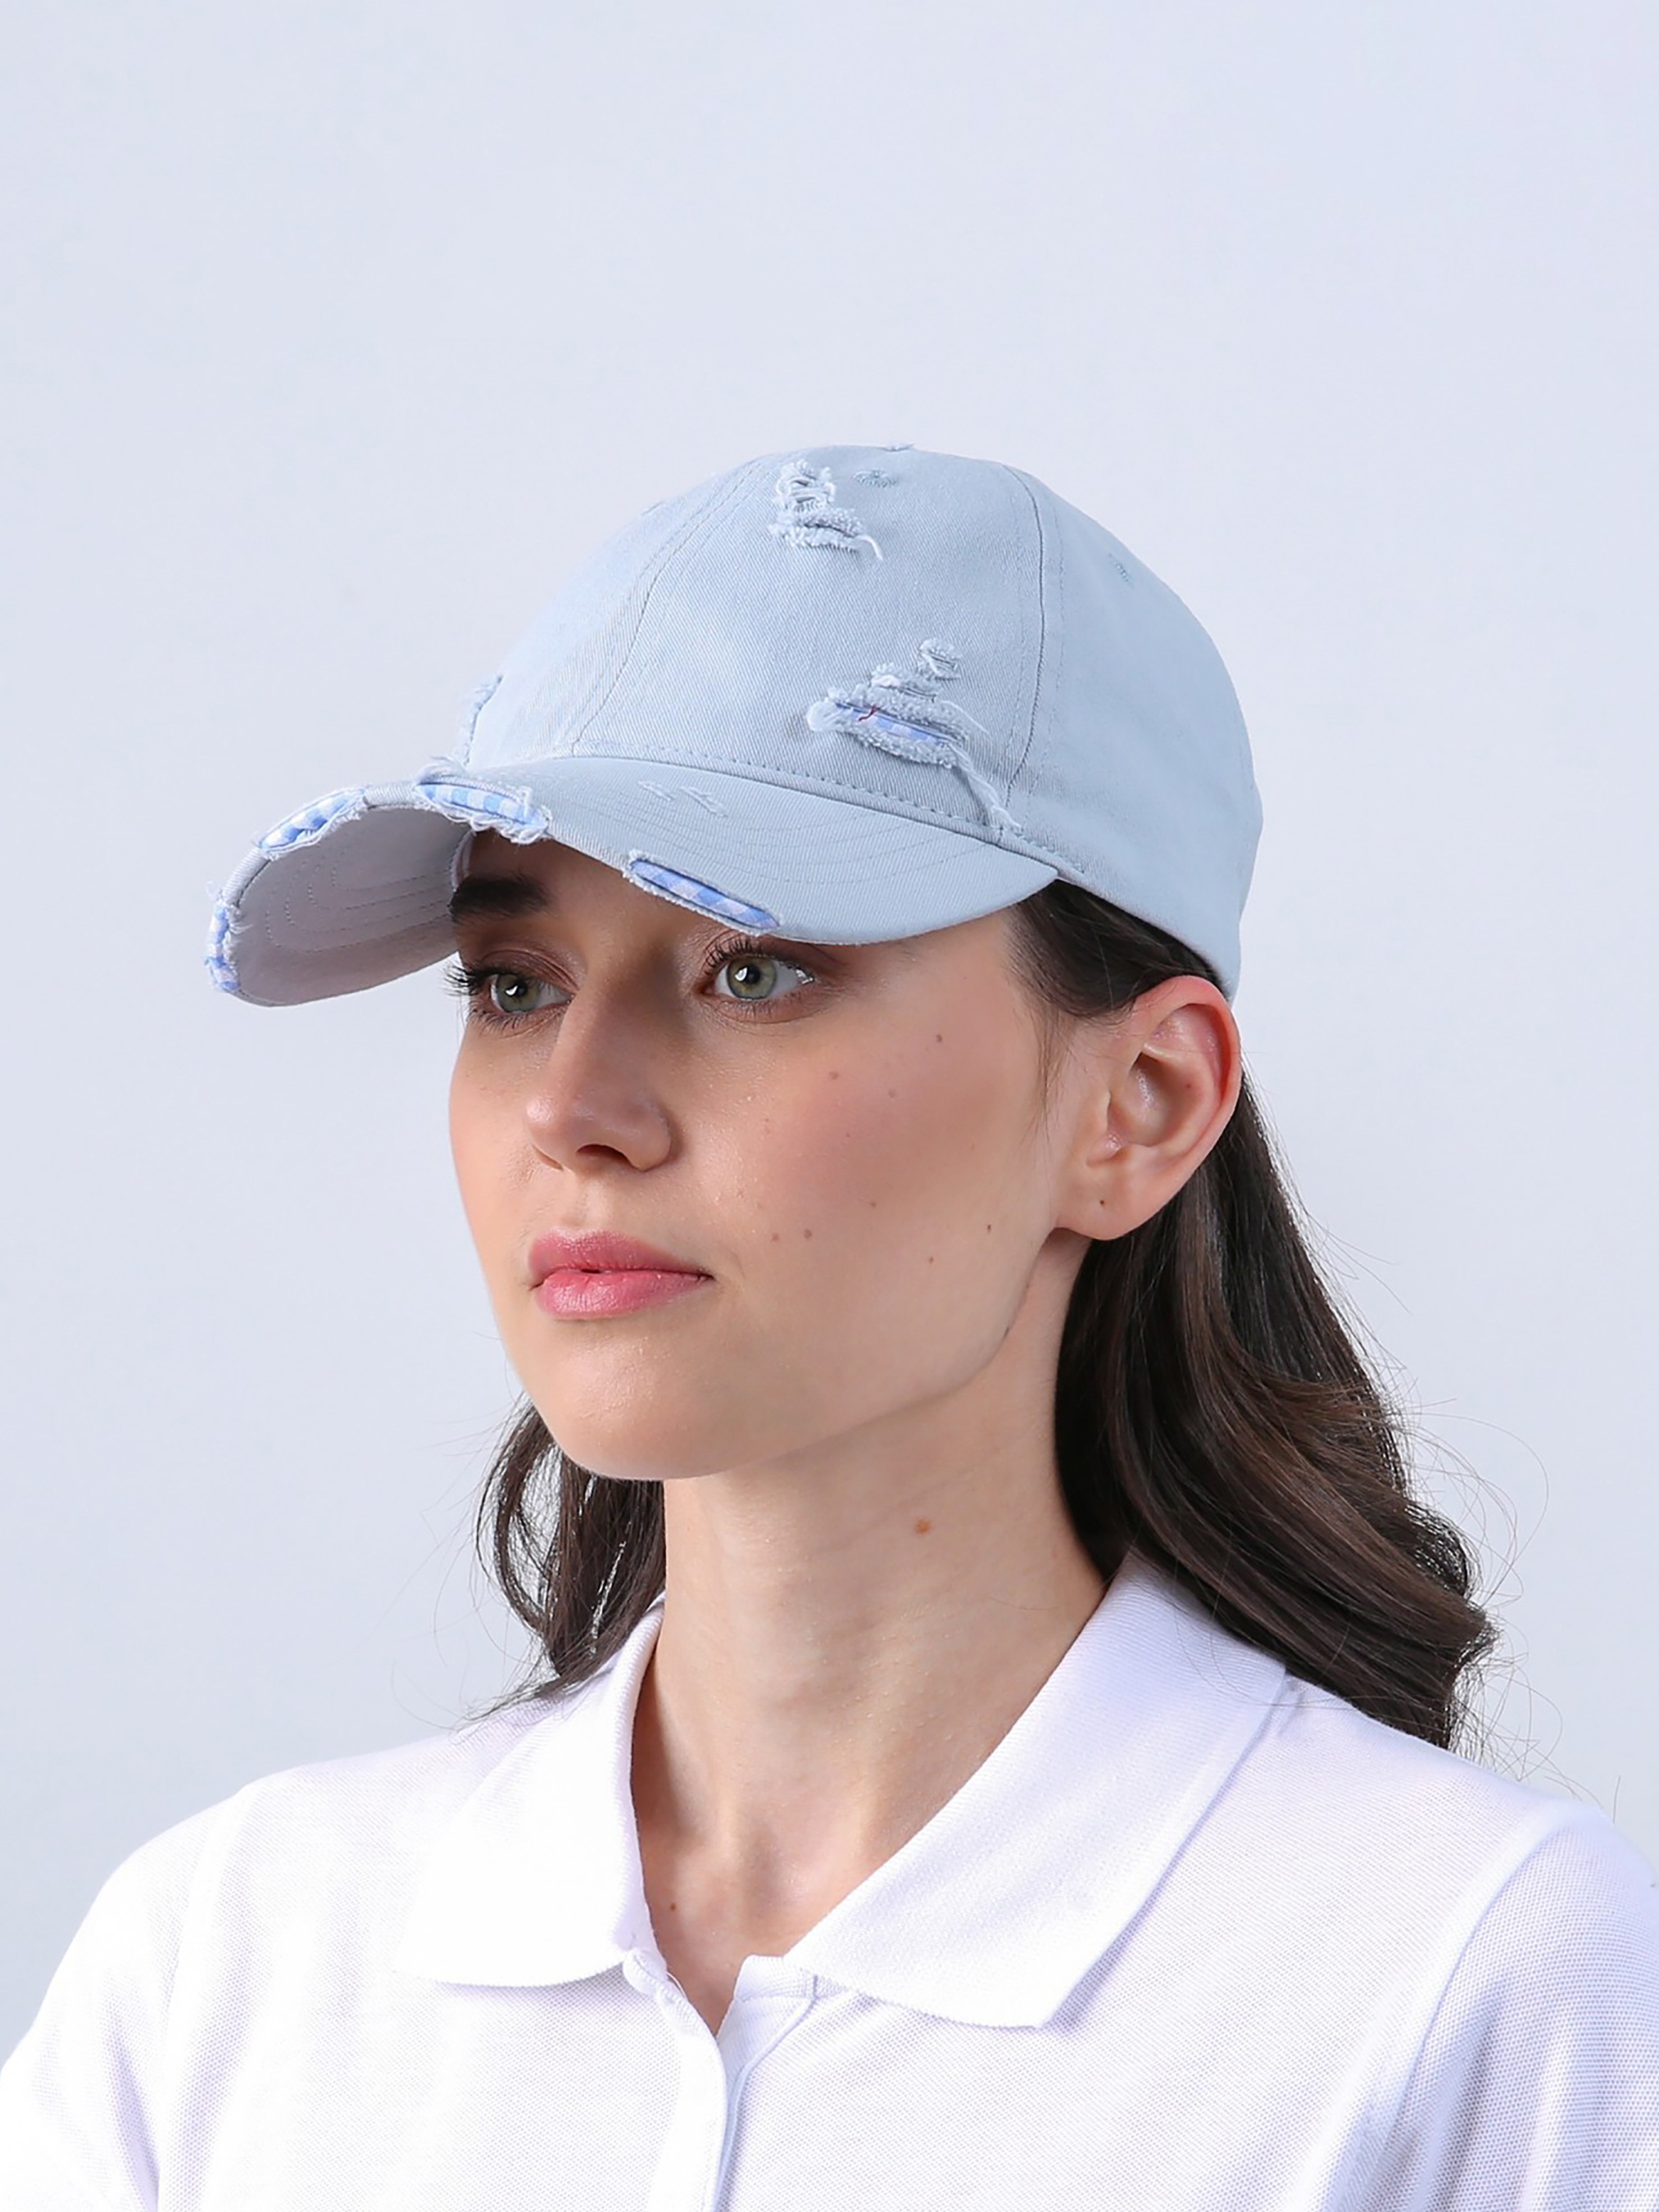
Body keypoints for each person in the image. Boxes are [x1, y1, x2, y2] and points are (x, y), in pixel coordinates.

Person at [2, 443, 1655, 2208]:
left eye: (754, 968)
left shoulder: (1468, 1981)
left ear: (1140, 1105)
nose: (572, 1107)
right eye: (512, 983)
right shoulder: (224, 1972)